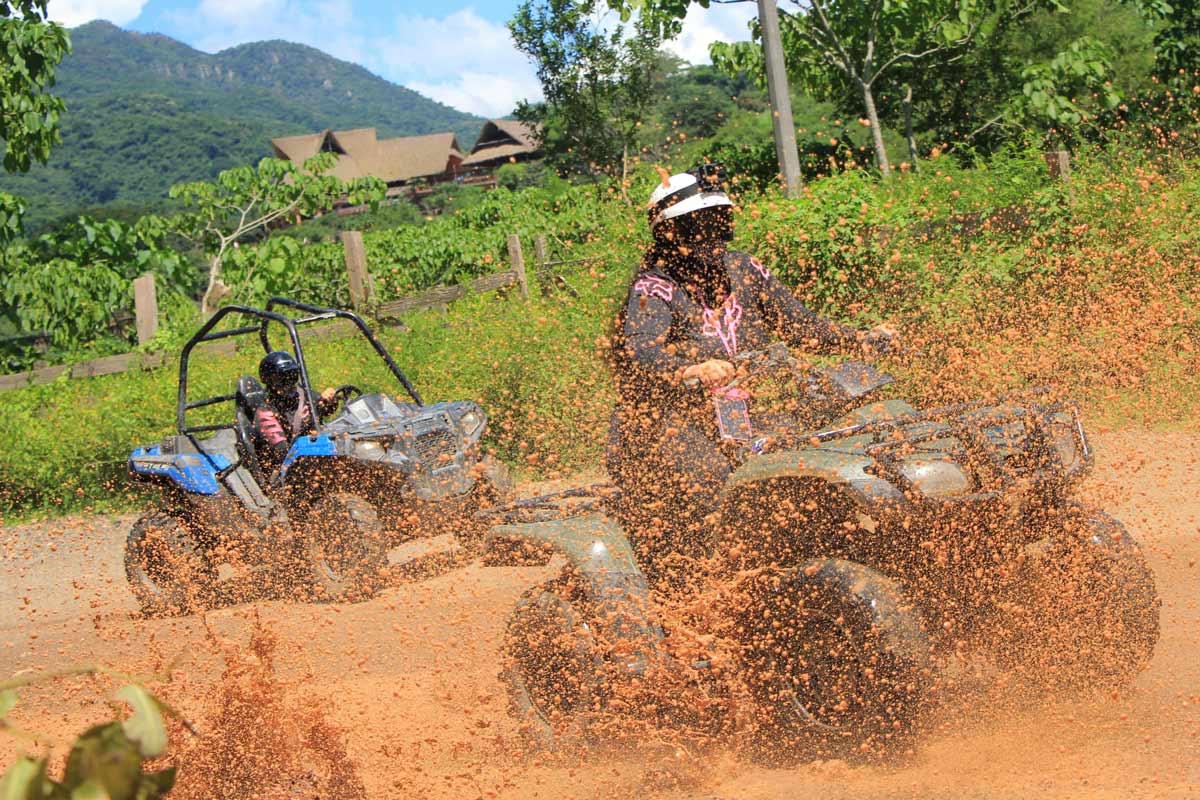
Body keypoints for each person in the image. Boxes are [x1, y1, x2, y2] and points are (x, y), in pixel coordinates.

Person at [606, 164, 894, 589]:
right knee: (714, 490)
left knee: (809, 462)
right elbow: (640, 350)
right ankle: (713, 595)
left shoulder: (746, 269)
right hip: (669, 424)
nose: (712, 234)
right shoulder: (653, 286)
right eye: (699, 225)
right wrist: (690, 368)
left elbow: (801, 326)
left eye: (718, 222)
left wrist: (861, 339)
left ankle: (809, 568)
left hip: (743, 414)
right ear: (671, 232)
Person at [253, 350, 340, 470]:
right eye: (281, 379)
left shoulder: (304, 396)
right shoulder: (266, 412)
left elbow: (326, 410)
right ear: (269, 381)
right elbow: (282, 450)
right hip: (290, 468)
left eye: (292, 376)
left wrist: (330, 400)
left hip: (320, 454)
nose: (288, 383)